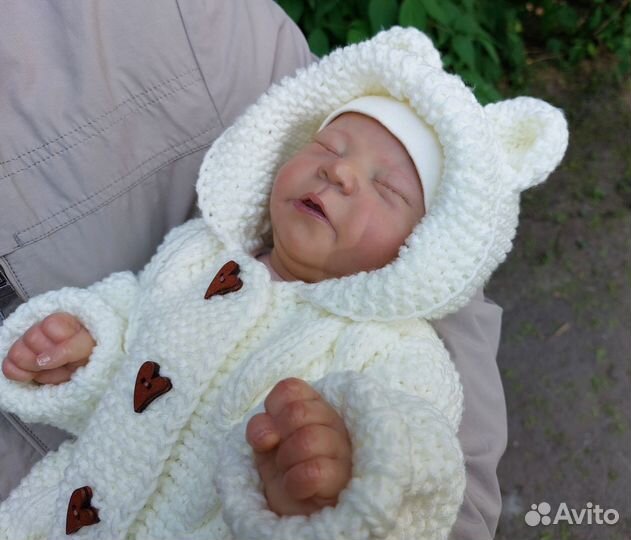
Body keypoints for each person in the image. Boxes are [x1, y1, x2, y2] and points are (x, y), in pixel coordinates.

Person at [0, 27, 568, 539]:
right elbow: (130, 327)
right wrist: (82, 347)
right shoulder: (200, 256)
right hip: (58, 514)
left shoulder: (397, 349)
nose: (338, 171)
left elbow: (427, 453)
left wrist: (351, 472)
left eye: (386, 188)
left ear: (423, 247)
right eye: (327, 147)